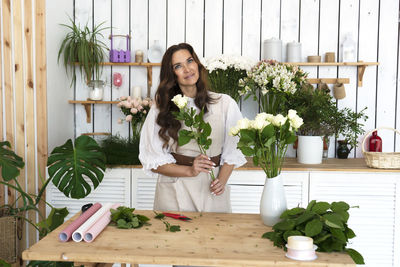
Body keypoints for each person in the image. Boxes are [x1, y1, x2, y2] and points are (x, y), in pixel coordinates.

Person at [139, 43, 246, 213]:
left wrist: (221, 181)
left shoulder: (225, 103)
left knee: (216, 236)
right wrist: (190, 170)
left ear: (197, 63)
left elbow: (234, 150)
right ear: (172, 74)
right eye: (178, 66)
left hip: (212, 186)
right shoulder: (162, 107)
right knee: (173, 239)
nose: (187, 69)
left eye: (190, 61)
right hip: (174, 188)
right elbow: (152, 159)